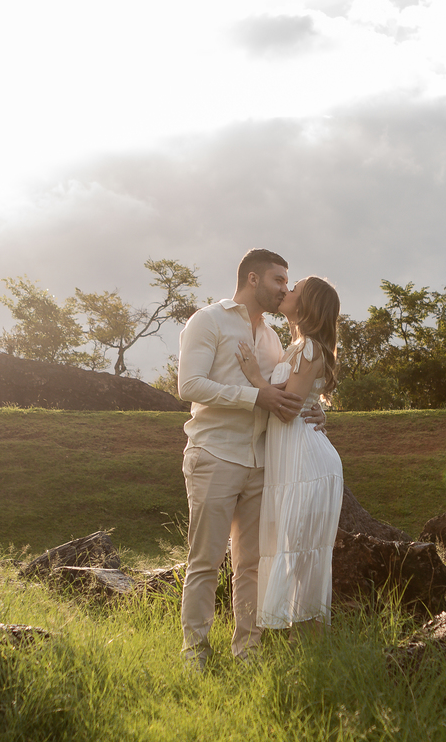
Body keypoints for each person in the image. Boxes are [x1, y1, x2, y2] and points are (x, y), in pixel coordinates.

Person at [176, 248, 324, 670]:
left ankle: (248, 653)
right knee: (205, 561)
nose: (285, 289)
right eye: (279, 280)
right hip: (213, 454)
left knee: (252, 566)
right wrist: (253, 396)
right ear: (254, 279)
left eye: (287, 282)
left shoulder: (273, 338)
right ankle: (195, 654)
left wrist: (314, 407)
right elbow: (189, 385)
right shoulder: (208, 319)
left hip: (261, 463)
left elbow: (286, 393)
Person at [235, 276, 343, 637]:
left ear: (306, 303)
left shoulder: (309, 347)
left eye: (293, 288)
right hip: (292, 458)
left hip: (306, 463)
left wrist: (253, 375)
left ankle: (306, 639)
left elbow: (285, 410)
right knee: (292, 547)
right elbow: (295, 399)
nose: (286, 291)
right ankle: (297, 639)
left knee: (298, 547)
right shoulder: (297, 346)